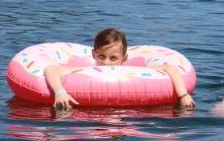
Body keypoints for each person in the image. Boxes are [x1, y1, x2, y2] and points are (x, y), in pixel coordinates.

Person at [44, 28, 194, 111]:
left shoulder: (134, 71)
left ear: (124, 58)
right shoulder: (83, 71)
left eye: (113, 58)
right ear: (93, 54)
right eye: (101, 56)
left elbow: (169, 67)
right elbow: (51, 69)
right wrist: (60, 92)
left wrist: (183, 95)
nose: (106, 63)